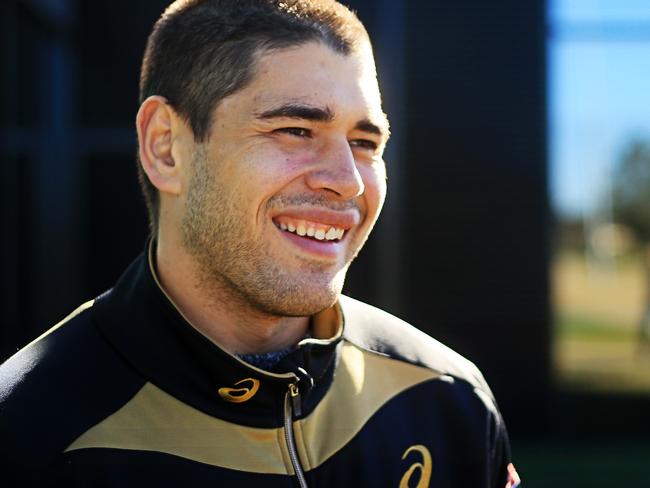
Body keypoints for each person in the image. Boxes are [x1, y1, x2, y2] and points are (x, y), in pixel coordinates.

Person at [0, 1, 520, 486]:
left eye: (364, 143)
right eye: (295, 130)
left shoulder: (449, 403)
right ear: (166, 147)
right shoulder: (26, 431)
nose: (348, 182)